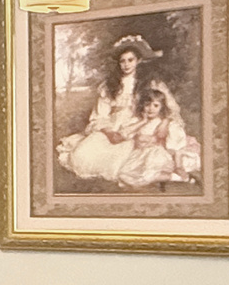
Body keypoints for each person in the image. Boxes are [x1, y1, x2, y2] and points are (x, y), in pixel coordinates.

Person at [57, 35, 156, 184]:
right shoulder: (109, 85)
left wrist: (143, 123)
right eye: (122, 61)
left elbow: (158, 106)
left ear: (138, 61)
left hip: (136, 125)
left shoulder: (148, 83)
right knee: (81, 155)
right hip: (112, 125)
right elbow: (100, 115)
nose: (126, 65)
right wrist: (109, 132)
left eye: (130, 60)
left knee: (122, 159)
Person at [116, 84, 201, 188]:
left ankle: (180, 177)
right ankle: (177, 178)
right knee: (124, 175)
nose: (151, 109)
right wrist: (143, 121)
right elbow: (123, 133)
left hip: (158, 154)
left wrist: (178, 165)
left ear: (161, 107)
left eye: (156, 105)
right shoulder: (138, 121)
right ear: (142, 105)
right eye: (147, 105)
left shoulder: (164, 123)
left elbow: (175, 145)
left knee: (146, 175)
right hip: (139, 155)